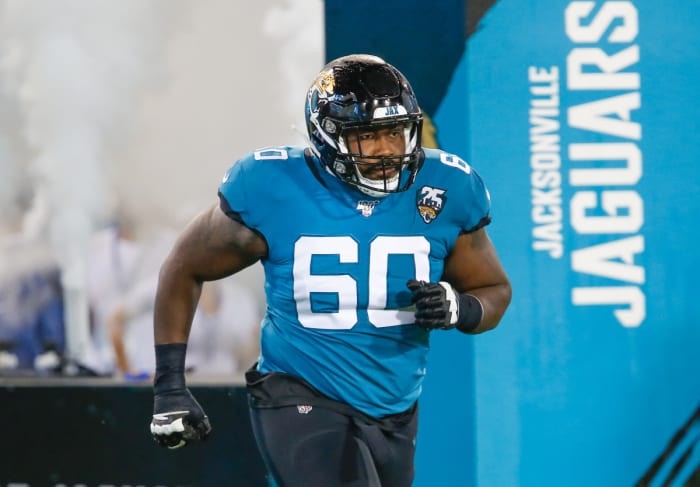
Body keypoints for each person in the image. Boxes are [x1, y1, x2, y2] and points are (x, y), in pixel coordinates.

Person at [149, 54, 511, 486]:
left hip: (394, 406)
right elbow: (183, 267)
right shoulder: (272, 184)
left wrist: (462, 308)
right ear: (327, 136)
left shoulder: (447, 186)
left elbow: (494, 289)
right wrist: (169, 385)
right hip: (299, 390)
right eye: (367, 136)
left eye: (395, 131)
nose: (386, 149)